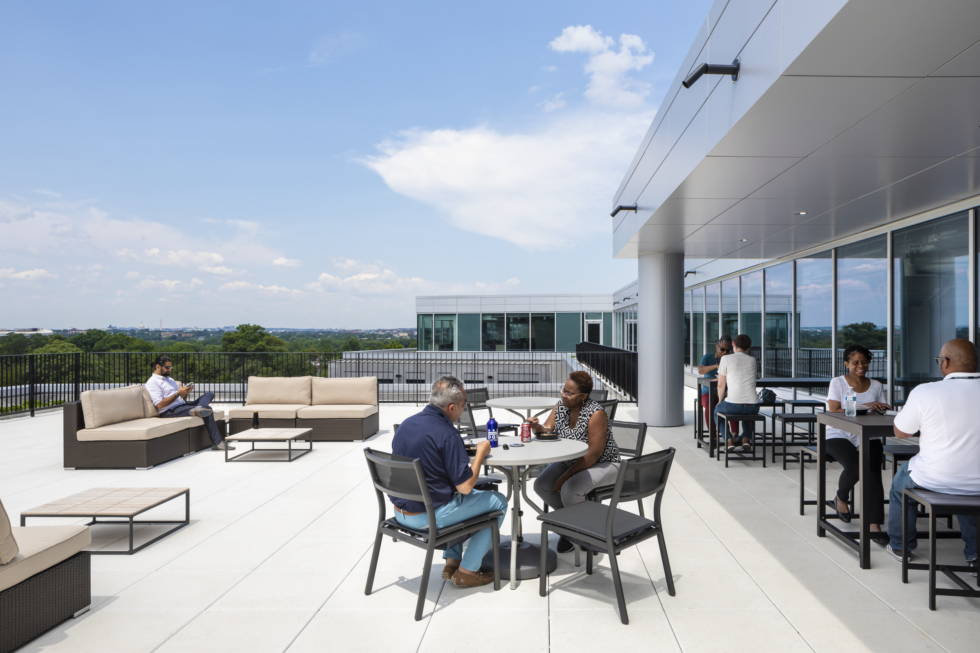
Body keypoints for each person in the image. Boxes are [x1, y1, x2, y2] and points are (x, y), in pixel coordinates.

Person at [391, 376, 507, 588]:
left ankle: (452, 564)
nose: (463, 410)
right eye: (463, 406)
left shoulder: (406, 425)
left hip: (400, 512)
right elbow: (464, 487)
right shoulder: (447, 434)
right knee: (498, 501)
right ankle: (468, 571)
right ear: (452, 407)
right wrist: (480, 453)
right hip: (426, 518)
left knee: (453, 496)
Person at [886, 339, 979, 575]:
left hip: (938, 478)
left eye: (940, 360)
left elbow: (901, 432)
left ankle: (900, 547)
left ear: (945, 363)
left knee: (900, 485)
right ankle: (975, 553)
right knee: (968, 484)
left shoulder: (926, 391)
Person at [531, 371, 621, 553]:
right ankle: (571, 529)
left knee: (570, 489)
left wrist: (564, 477)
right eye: (563, 390)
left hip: (604, 463)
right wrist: (537, 427)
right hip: (571, 461)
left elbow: (593, 455)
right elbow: (547, 429)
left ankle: (593, 537)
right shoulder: (561, 406)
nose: (563, 395)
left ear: (584, 396)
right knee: (541, 485)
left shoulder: (596, 413)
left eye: (569, 393)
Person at [824, 345, 890, 532]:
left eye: (864, 362)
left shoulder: (876, 385)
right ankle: (841, 497)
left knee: (873, 474)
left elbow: (882, 412)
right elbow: (834, 409)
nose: (860, 366)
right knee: (855, 467)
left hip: (867, 435)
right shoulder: (838, 383)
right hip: (838, 432)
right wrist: (863, 407)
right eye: (855, 363)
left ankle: (874, 524)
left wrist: (880, 408)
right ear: (847, 364)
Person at [145, 355, 232, 451]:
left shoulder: (171, 380)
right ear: (158, 366)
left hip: (182, 406)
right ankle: (217, 443)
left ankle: (199, 408)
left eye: (171, 367)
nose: (170, 370)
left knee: (209, 394)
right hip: (169, 411)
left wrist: (185, 393)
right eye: (167, 367)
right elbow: (160, 405)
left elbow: (180, 400)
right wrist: (178, 393)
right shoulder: (153, 382)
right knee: (208, 409)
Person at [714, 334, 759, 453]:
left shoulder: (726, 359)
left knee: (717, 412)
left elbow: (721, 384)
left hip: (733, 405)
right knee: (747, 410)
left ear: (733, 343)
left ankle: (729, 440)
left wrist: (719, 402)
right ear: (748, 348)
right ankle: (746, 438)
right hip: (753, 406)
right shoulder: (752, 360)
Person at [699, 335, 738, 438]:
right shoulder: (708, 357)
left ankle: (734, 435)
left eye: (728, 350)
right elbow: (700, 370)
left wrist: (726, 392)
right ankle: (713, 436)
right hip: (708, 392)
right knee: (709, 404)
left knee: (734, 403)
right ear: (717, 347)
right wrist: (716, 366)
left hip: (725, 393)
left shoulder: (731, 359)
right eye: (722, 349)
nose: (725, 352)